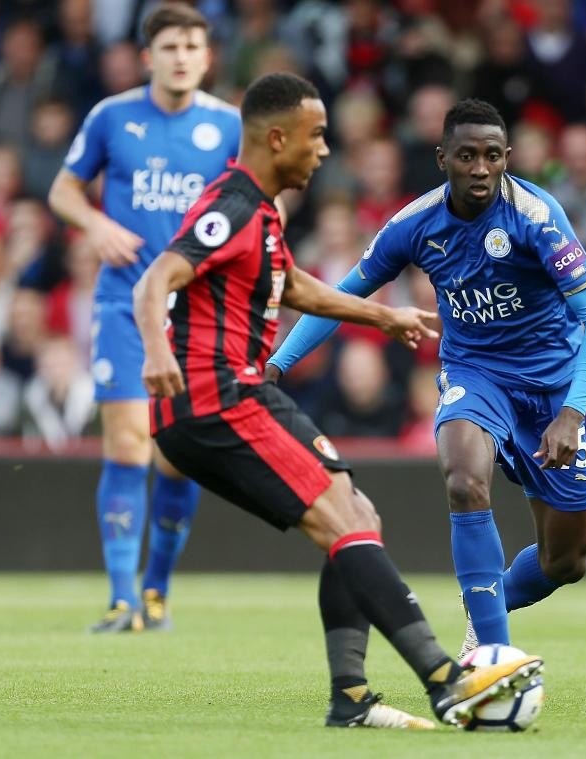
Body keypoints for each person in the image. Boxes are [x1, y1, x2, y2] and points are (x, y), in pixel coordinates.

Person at [133, 72, 543, 730]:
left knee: (358, 515)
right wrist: (156, 353)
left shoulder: (264, 212)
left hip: (234, 395)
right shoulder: (233, 204)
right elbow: (161, 275)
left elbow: (291, 284)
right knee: (344, 519)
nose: (324, 149)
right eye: (315, 134)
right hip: (218, 397)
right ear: (277, 137)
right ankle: (444, 678)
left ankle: (350, 696)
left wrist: (378, 316)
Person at [267, 99, 586, 658]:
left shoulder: (536, 216)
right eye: (467, 156)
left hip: (553, 392)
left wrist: (572, 412)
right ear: (443, 158)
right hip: (476, 376)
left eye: (493, 156)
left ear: (506, 158)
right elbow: (340, 297)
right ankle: (491, 658)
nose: (481, 168)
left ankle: (488, 600)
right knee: (463, 478)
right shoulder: (413, 224)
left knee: (566, 562)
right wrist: (275, 365)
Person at [47, 5, 241, 632]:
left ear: (207, 58)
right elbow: (62, 190)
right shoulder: (112, 117)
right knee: (128, 442)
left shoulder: (229, 127)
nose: (181, 56)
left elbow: (263, 210)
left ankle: (156, 591)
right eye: (169, 46)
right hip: (125, 302)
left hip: (199, 313)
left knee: (177, 456)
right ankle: (121, 597)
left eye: (192, 46)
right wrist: (97, 224)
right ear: (146, 57)